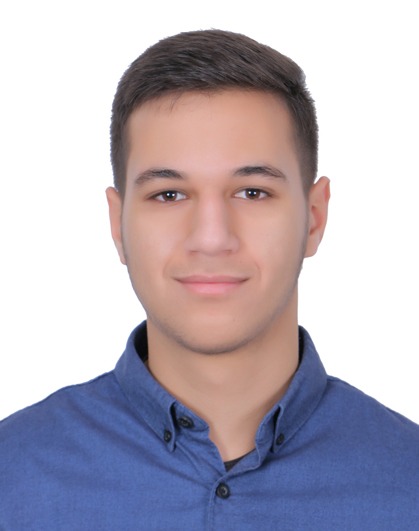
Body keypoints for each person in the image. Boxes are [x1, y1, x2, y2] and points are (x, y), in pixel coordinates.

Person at [1, 29, 418, 530]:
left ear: (314, 218)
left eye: (252, 192)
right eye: (169, 195)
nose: (212, 238)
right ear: (118, 224)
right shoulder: (12, 476)